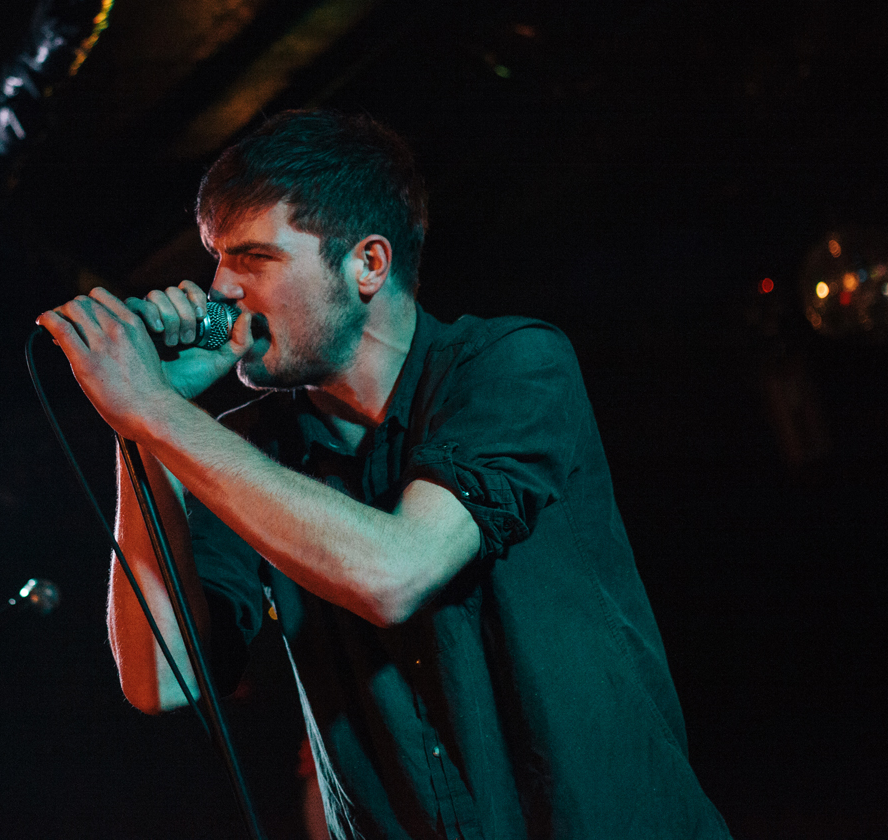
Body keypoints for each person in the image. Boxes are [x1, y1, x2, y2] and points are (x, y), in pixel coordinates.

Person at [36, 110, 730, 839]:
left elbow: (396, 573)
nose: (222, 290)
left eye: (255, 259)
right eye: (218, 259)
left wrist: (157, 413)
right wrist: (145, 438)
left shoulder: (511, 366)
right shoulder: (244, 452)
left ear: (367, 263)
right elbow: (161, 681)